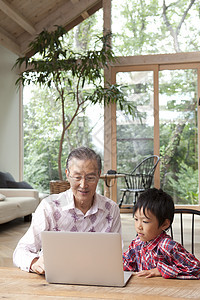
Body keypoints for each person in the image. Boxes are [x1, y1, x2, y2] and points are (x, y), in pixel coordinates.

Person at [13, 146, 122, 274]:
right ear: (67, 174)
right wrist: (35, 263)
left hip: (98, 277)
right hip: (56, 279)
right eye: (77, 177)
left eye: (90, 178)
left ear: (99, 175)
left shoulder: (111, 209)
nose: (83, 185)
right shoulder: (49, 207)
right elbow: (20, 251)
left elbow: (116, 256)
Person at [123, 188, 200, 279]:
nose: (139, 226)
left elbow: (196, 269)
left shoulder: (167, 246)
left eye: (145, 221)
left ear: (164, 224)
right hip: (145, 289)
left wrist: (161, 270)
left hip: (167, 291)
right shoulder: (136, 243)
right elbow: (127, 264)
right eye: (136, 219)